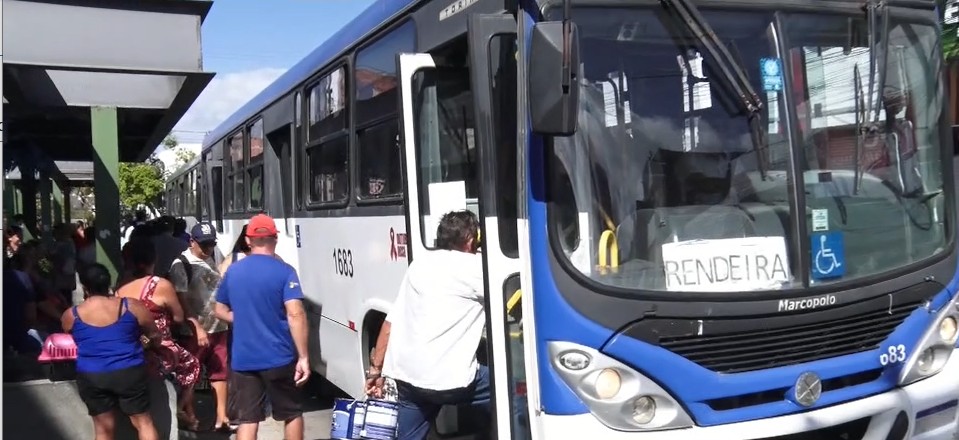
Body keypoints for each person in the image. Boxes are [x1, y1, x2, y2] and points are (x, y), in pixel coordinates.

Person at [365, 210, 486, 440]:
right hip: (451, 382)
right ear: (472, 240)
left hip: (408, 380)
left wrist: (375, 372)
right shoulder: (477, 268)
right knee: (516, 390)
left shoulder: (419, 264)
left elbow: (390, 324)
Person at [214, 214, 310, 440]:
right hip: (279, 357)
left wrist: (243, 318)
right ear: (275, 239)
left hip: (243, 359)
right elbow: (295, 313)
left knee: (248, 420)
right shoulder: (285, 271)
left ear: (248, 240)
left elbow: (219, 310)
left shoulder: (234, 271)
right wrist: (304, 357)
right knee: (292, 413)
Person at [62, 263, 161, 440]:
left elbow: (74, 338)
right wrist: (148, 346)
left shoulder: (71, 315)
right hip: (130, 371)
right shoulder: (132, 306)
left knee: (103, 429)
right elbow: (154, 336)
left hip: (92, 375)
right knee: (143, 422)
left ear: (85, 287)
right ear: (109, 283)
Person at [115, 238, 202, 431]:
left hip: (132, 348)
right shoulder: (160, 284)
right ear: (153, 260)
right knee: (192, 365)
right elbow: (179, 317)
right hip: (159, 347)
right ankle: (180, 410)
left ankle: (189, 415)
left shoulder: (121, 288)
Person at [169, 222, 233, 432]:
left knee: (220, 372)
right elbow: (181, 298)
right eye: (203, 245)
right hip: (193, 331)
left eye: (211, 244)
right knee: (190, 374)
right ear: (191, 242)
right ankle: (190, 416)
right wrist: (196, 326)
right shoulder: (181, 264)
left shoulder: (214, 258)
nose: (208, 249)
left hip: (218, 326)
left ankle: (221, 417)